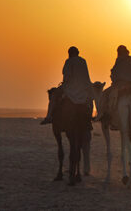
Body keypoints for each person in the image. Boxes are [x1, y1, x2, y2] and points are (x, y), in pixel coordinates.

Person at [41, 46, 94, 175]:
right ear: (78, 53)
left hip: (70, 91)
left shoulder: (69, 61)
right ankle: (90, 119)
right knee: (89, 102)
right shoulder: (83, 62)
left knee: (53, 96)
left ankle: (49, 116)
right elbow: (86, 77)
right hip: (82, 92)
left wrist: (65, 85)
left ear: (70, 54)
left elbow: (66, 76)